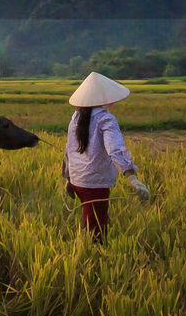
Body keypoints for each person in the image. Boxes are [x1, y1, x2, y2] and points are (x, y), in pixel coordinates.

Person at [61, 71, 150, 241]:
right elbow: (115, 149)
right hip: (95, 183)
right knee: (96, 229)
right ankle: (92, 254)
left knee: (92, 215)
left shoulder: (76, 117)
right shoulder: (106, 119)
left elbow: (69, 150)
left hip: (78, 181)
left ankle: (87, 243)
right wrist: (132, 177)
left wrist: (68, 178)